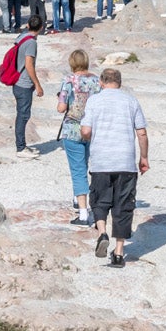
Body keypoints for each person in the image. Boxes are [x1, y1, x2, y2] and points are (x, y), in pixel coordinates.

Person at [81, 66, 147, 268]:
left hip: (102, 160)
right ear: (120, 83)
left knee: (99, 200)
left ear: (101, 82)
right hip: (125, 162)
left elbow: (85, 130)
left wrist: (92, 138)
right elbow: (142, 133)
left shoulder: (94, 101)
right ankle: (118, 253)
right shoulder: (130, 100)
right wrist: (144, 157)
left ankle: (102, 232)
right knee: (123, 206)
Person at [53, 47, 99, 226]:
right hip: (91, 129)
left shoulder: (69, 80)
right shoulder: (96, 80)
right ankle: (78, 197)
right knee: (86, 164)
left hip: (72, 129)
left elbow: (61, 108)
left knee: (77, 169)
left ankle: (82, 213)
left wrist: (60, 99)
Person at [3, 25, 43, 154]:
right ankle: (20, 148)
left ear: (28, 25)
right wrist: (37, 84)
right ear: (41, 27)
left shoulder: (22, 36)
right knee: (23, 115)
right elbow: (29, 64)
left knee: (22, 114)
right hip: (23, 84)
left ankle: (22, 145)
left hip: (18, 82)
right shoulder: (31, 42)